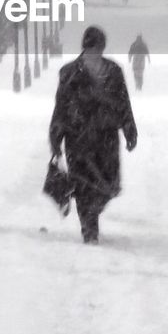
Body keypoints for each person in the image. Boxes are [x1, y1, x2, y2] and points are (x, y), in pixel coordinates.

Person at [49, 26, 137, 244]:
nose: (95, 51)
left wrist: (129, 129)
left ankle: (92, 213)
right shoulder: (69, 73)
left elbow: (123, 102)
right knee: (83, 185)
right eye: (92, 47)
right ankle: (89, 229)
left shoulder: (113, 71)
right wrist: (56, 138)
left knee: (109, 184)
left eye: (97, 47)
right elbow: (61, 107)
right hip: (78, 138)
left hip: (105, 137)